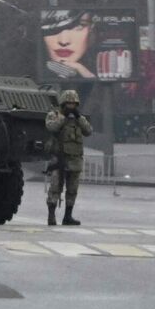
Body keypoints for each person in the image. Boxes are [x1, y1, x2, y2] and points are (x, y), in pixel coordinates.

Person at [44, 89, 91, 226]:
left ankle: (68, 216)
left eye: (74, 104)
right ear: (63, 103)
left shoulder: (78, 118)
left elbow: (88, 131)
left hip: (75, 159)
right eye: (68, 104)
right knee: (55, 188)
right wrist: (63, 117)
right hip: (59, 158)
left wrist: (79, 117)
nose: (71, 107)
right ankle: (51, 216)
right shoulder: (54, 115)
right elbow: (51, 127)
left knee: (72, 189)